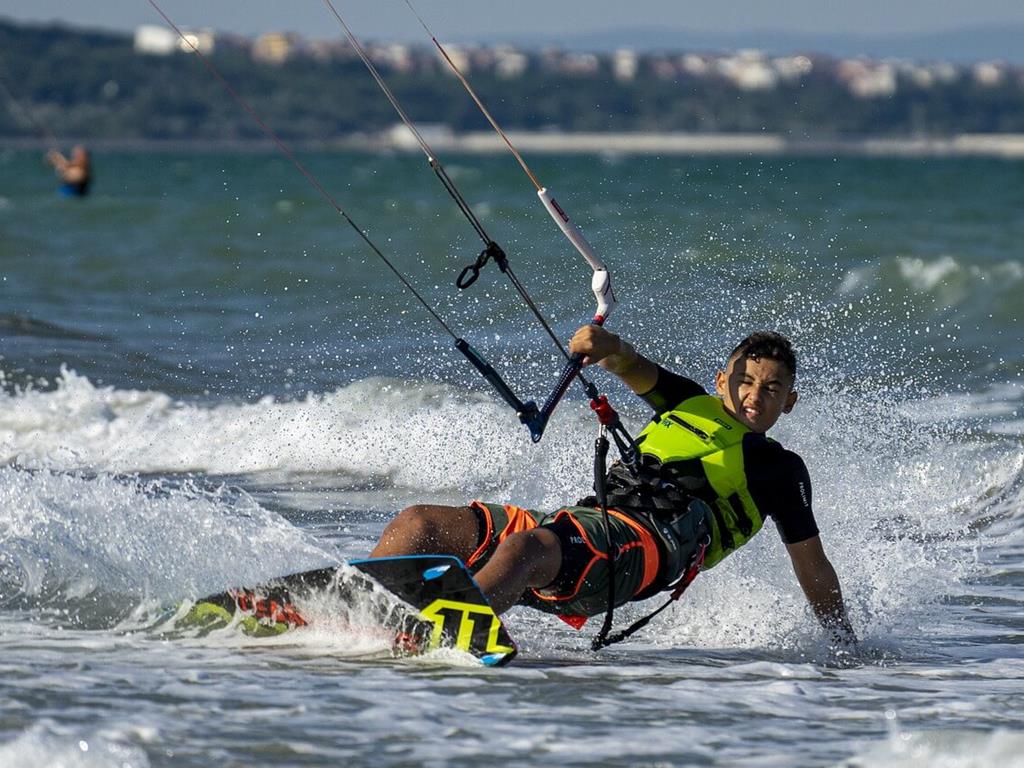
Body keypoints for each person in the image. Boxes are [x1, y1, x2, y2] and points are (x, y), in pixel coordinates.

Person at [370, 325, 857, 645]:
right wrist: (601, 345)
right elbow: (628, 362)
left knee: (524, 550)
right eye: (745, 381)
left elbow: (812, 567)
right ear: (721, 379)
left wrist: (843, 648)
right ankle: (364, 616)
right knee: (420, 522)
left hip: (643, 554)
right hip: (587, 526)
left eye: (771, 390)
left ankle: (444, 636)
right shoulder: (686, 400)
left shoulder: (780, 469)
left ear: (788, 402)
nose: (754, 396)